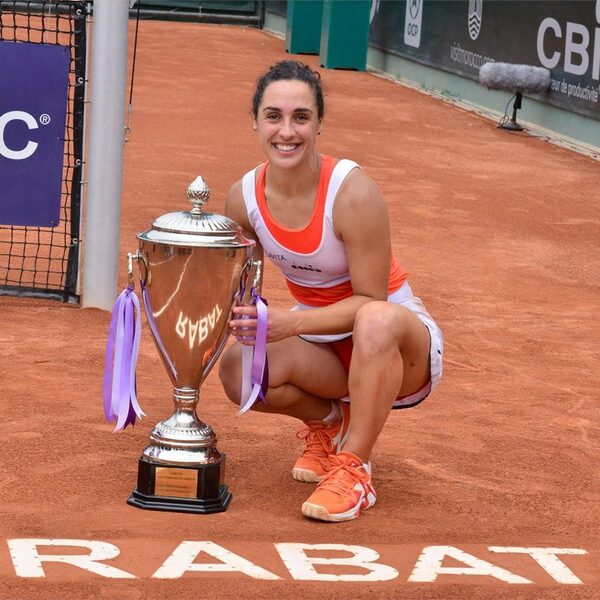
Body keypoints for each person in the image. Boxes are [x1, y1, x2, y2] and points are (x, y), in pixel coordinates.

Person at [219, 60, 443, 523]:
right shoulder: (242, 198)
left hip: (397, 346)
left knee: (375, 321)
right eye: (274, 116)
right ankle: (329, 423)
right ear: (255, 122)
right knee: (239, 368)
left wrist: (291, 321)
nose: (287, 131)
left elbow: (371, 301)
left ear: (319, 123)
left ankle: (355, 469)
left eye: (301, 117)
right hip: (325, 347)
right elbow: (246, 285)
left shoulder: (353, 193)